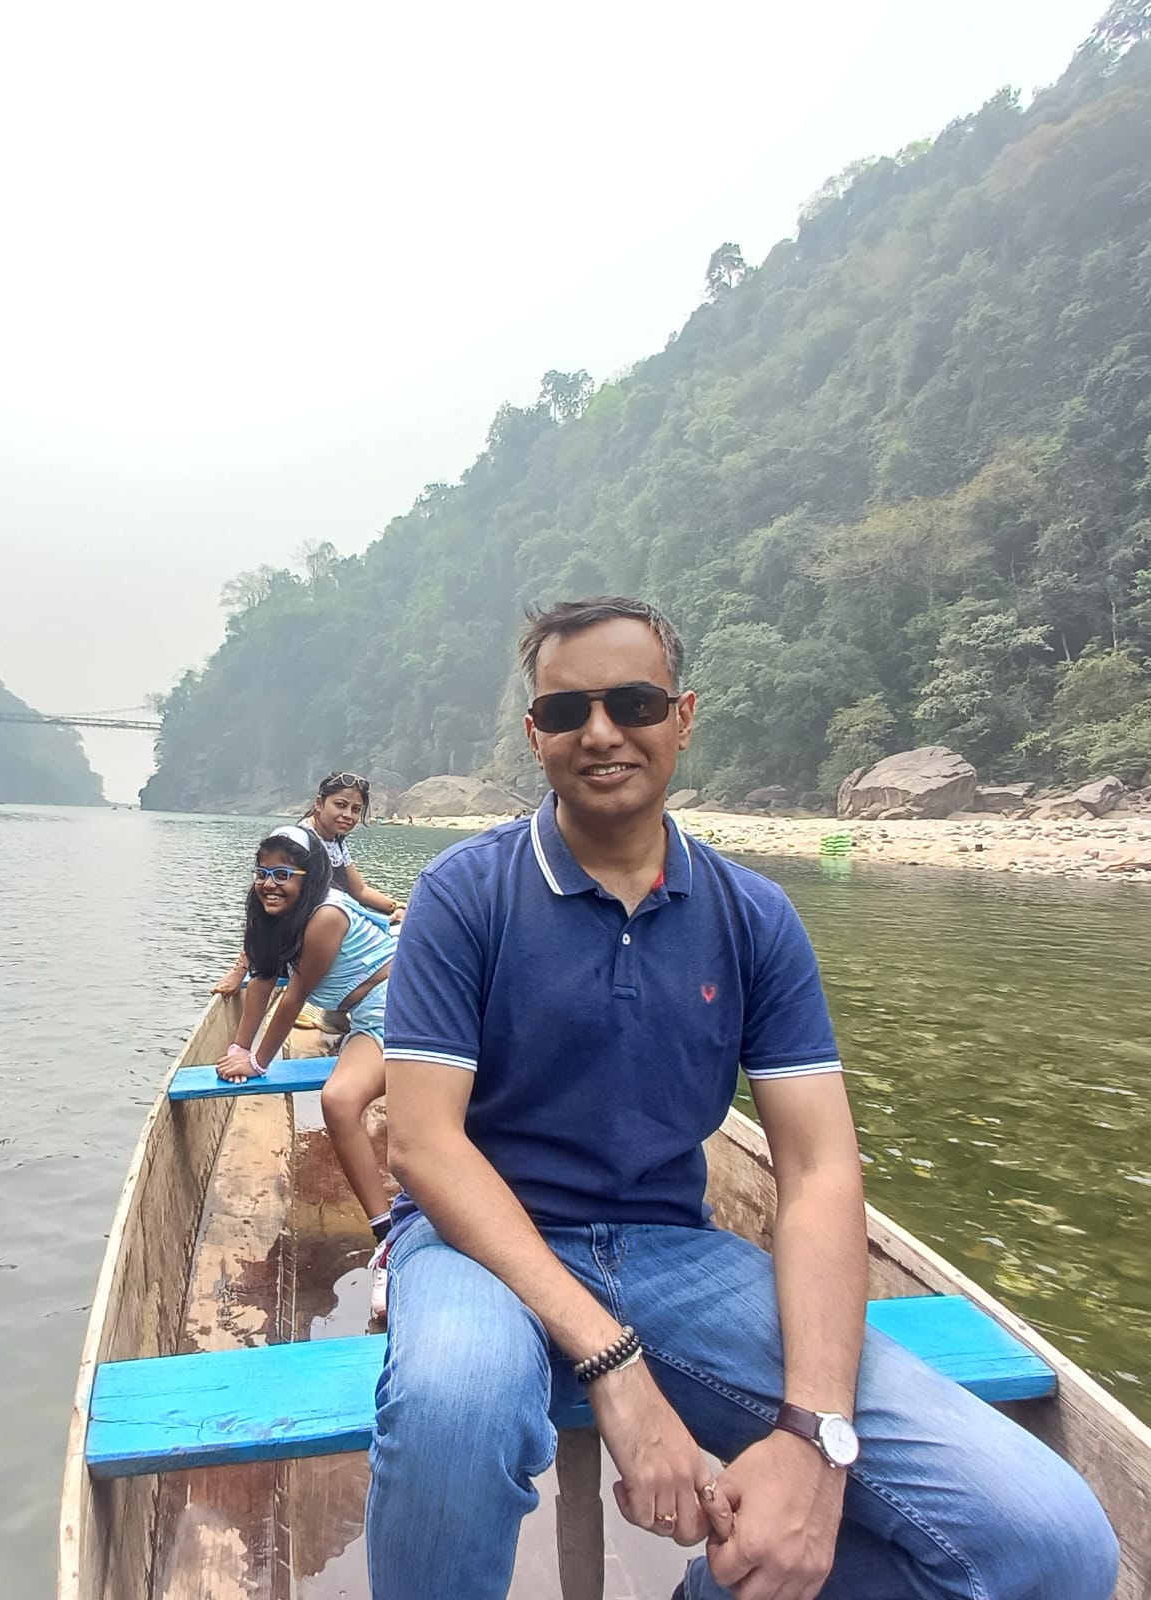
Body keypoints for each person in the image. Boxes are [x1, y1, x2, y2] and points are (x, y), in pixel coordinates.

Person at [368, 597, 1118, 1599]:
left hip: (672, 1253)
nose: (601, 732)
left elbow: (816, 1169)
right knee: (451, 1411)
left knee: (1053, 1539)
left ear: (681, 717)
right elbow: (424, 1144)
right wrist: (616, 1366)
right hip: (478, 1245)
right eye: (567, 711)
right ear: (535, 734)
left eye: (633, 703)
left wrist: (814, 1433)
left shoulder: (752, 916)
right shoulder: (465, 893)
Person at [218, 824, 400, 1320]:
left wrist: (258, 1062)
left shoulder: (325, 915)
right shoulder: (268, 914)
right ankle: (389, 1238)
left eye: (284, 874)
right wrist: (238, 1047)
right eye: (262, 872)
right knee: (338, 1102)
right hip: (365, 1016)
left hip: (404, 999)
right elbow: (263, 979)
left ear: (310, 875)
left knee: (347, 1101)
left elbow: (294, 996)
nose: (269, 883)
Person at [211, 772, 405, 997]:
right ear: (319, 803)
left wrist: (397, 906)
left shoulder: (335, 839)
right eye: (340, 805)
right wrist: (239, 969)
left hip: (324, 929)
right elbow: (264, 907)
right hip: (295, 937)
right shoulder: (298, 843)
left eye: (355, 809)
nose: (348, 815)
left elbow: (359, 890)